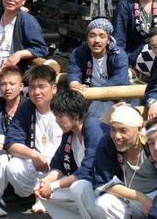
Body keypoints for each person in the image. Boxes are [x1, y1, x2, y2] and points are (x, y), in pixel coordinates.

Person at [0, 65, 63, 216]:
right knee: (13, 166)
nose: (36, 92)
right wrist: (34, 155)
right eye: (32, 87)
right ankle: (35, 195)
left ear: (54, 88)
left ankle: (44, 197)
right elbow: (11, 143)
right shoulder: (26, 108)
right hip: (35, 163)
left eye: (41, 86)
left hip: (60, 167)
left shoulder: (64, 107)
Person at [36, 90, 105, 219]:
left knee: (79, 188)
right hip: (86, 186)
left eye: (60, 115)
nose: (56, 120)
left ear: (75, 114)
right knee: (42, 192)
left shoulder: (93, 127)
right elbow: (59, 164)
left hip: (102, 187)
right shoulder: (69, 133)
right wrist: (45, 182)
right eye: (55, 115)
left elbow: (87, 170)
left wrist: (53, 186)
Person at [89, 104, 157, 219]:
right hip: (129, 197)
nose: (117, 136)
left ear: (138, 129)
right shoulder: (107, 143)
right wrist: (140, 197)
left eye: (123, 130)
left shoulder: (151, 142)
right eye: (113, 130)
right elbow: (105, 183)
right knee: (103, 204)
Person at [67, 17, 129, 117]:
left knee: (95, 112)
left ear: (108, 39)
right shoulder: (79, 53)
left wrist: (96, 93)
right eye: (92, 35)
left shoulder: (119, 55)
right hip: (87, 93)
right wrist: (75, 84)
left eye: (102, 36)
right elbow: (74, 72)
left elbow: (120, 79)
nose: (97, 40)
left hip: (113, 94)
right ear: (87, 38)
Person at [0, 65, 24, 134]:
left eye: (12, 84)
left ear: (21, 86)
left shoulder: (29, 106)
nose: (7, 88)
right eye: (3, 84)